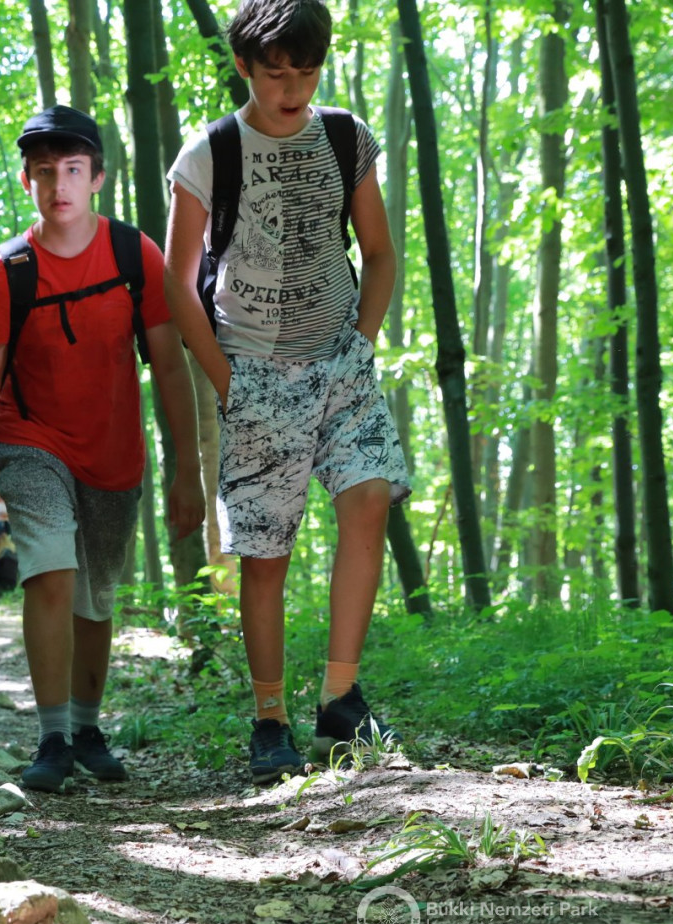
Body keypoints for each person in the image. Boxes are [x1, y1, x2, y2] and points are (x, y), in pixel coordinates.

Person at [162, 0, 409, 784]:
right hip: (255, 370)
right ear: (243, 66)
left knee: (370, 496)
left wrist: (360, 342)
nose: (292, 88)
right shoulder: (209, 153)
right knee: (265, 556)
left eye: (307, 71)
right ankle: (270, 719)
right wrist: (227, 379)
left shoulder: (344, 137)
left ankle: (340, 699)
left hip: (340, 360)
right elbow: (176, 284)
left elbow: (379, 252)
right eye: (275, 73)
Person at [0, 105, 205, 793]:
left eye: (71, 169)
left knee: (95, 597)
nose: (57, 184)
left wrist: (187, 471)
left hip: (114, 455)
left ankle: (87, 729)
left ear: (96, 177)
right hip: (31, 443)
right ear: (27, 181)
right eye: (43, 172)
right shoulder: (8, 272)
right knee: (51, 572)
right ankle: (53, 737)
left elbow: (170, 365)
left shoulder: (134, 255)